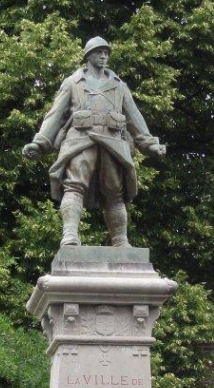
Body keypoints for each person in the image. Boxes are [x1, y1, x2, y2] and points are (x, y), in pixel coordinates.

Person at [23, 37, 166, 247]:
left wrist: (150, 144)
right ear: (88, 55)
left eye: (106, 53)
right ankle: (70, 235)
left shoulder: (119, 86)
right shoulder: (73, 82)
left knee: (114, 192)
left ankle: (120, 240)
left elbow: (135, 118)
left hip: (113, 142)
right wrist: (40, 143)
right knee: (74, 186)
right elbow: (55, 115)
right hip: (81, 139)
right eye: (99, 52)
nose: (103, 56)